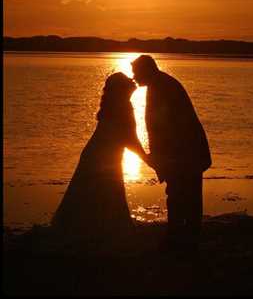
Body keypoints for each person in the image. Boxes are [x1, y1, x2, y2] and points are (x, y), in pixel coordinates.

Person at [51, 72, 150, 253]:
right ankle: (103, 234)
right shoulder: (123, 107)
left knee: (90, 194)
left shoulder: (113, 105)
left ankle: (86, 232)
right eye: (128, 80)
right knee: (105, 193)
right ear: (122, 89)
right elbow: (129, 138)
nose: (133, 80)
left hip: (96, 154)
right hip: (105, 157)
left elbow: (126, 138)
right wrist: (147, 158)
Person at [131, 55, 212, 256]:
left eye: (136, 72)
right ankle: (182, 239)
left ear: (146, 70)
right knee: (182, 196)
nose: (134, 77)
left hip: (185, 152)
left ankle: (182, 241)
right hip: (183, 152)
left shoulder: (162, 87)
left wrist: (161, 158)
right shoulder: (160, 85)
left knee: (184, 197)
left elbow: (165, 127)